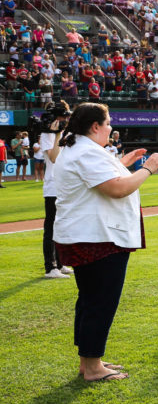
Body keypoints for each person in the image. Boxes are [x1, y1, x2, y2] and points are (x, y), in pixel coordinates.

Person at [52, 103, 158, 382]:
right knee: (100, 302)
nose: (111, 126)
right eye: (108, 122)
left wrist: (123, 163)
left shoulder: (78, 148)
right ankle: (92, 367)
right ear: (95, 126)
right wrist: (148, 169)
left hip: (90, 235)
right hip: (97, 238)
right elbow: (117, 188)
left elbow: (103, 176)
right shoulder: (86, 151)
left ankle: (90, 360)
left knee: (91, 300)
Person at [40, 109, 73, 278]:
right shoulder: (47, 136)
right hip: (52, 186)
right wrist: (57, 134)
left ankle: (60, 264)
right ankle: (50, 267)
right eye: (62, 117)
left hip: (63, 185)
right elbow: (53, 158)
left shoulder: (64, 134)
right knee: (51, 227)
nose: (64, 120)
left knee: (61, 225)